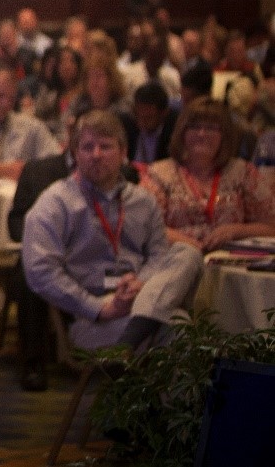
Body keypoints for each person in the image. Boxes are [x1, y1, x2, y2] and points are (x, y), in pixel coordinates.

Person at [23, 110, 204, 353]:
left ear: (123, 153)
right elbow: (40, 271)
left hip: (142, 296)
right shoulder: (56, 202)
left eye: (105, 147)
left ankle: (141, 321)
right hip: (93, 317)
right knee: (180, 330)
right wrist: (99, 308)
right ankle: (142, 327)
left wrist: (141, 283)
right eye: (87, 147)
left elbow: (158, 255)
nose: (96, 155)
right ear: (75, 154)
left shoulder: (142, 201)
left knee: (187, 253)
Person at [140, 97, 275, 251]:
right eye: (194, 127)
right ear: (182, 132)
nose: (202, 134)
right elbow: (145, 227)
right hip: (176, 258)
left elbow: (271, 227)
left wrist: (236, 231)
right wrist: (189, 245)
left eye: (211, 128)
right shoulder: (160, 174)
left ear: (224, 134)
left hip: (232, 259)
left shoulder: (243, 172)